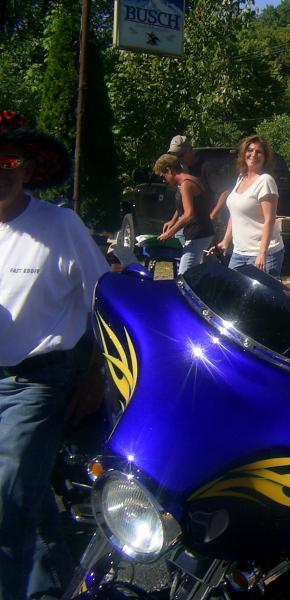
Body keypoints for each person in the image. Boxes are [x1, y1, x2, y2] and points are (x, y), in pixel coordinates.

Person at [0, 109, 109, 600]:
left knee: (6, 499)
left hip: (38, 383)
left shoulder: (60, 224)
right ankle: (52, 587)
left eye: (8, 160)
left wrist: (98, 373)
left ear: (27, 168)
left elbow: (106, 301)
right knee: (28, 494)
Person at [211, 135, 284, 276]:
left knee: (261, 292)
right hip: (239, 253)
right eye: (250, 150)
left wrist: (262, 253)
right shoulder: (241, 178)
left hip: (263, 255)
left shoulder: (265, 181)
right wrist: (225, 241)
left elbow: (269, 220)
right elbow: (235, 214)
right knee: (232, 287)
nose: (253, 154)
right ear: (244, 153)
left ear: (265, 157)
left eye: (259, 152)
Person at [153, 153, 214, 275]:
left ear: (169, 170)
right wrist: (173, 220)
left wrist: (170, 233)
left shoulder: (186, 184)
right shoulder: (185, 182)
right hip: (200, 234)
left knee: (184, 276)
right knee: (198, 274)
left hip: (198, 235)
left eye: (163, 176)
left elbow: (189, 214)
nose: (164, 180)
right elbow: (185, 203)